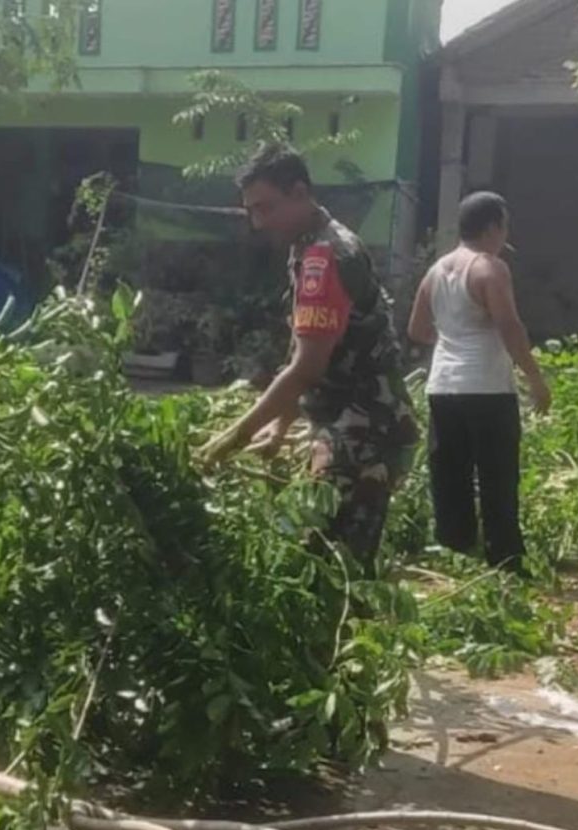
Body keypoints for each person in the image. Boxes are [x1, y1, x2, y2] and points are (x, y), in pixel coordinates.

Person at [199, 143, 418, 573]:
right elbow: (302, 350)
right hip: (343, 424)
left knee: (332, 572)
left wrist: (231, 439)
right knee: (321, 562)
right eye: (252, 211)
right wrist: (280, 428)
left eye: (266, 208)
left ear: (300, 192)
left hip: (362, 430)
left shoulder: (326, 254)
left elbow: (306, 368)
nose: (259, 222)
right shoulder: (307, 245)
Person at [407, 192, 551, 574]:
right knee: (496, 475)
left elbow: (417, 329)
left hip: (442, 386)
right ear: (492, 227)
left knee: (450, 475)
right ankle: (505, 562)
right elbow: (509, 326)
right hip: (486, 388)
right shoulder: (490, 267)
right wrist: (535, 379)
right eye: (504, 227)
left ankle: (456, 557)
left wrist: (453, 341)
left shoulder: (436, 271)